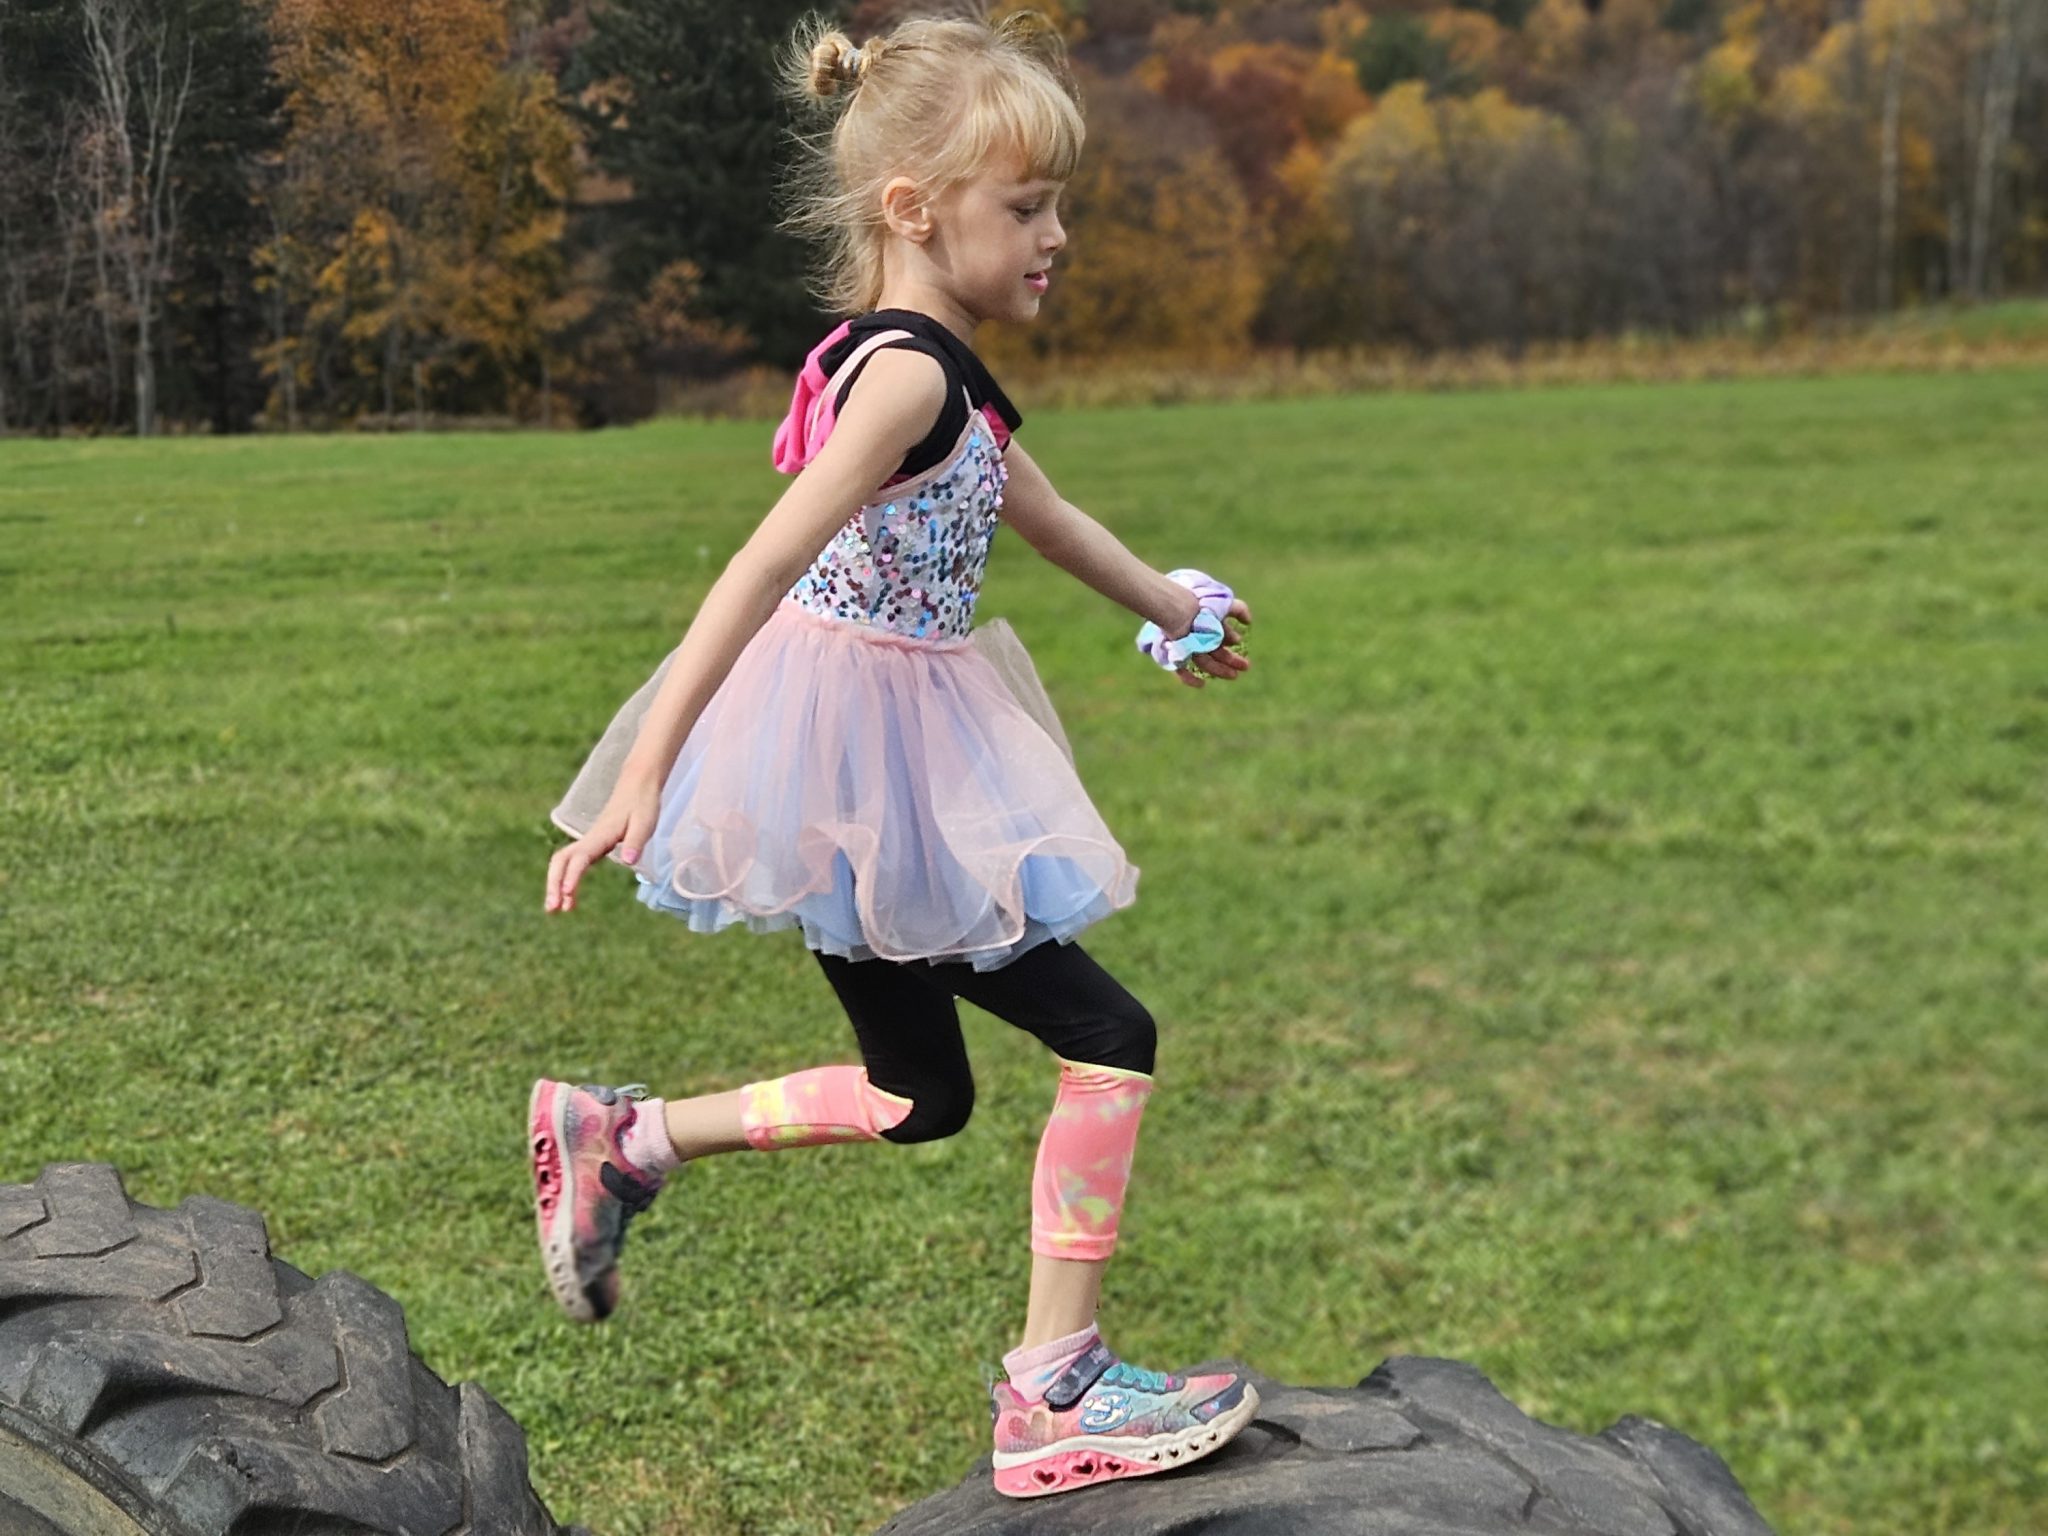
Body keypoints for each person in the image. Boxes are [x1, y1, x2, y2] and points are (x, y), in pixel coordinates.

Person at [529, 8, 1258, 1501]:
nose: (1056, 235)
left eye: (1059, 204)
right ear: (913, 212)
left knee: (923, 1096)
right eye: (1028, 206)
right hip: (868, 774)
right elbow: (752, 568)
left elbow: (1041, 519)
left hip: (869, 773)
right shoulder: (910, 378)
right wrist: (643, 778)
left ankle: (625, 1139)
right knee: (1110, 1038)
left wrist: (1176, 608)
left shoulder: (945, 373)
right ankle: (1054, 1391)